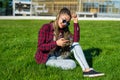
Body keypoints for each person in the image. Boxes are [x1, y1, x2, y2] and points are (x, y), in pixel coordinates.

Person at [35, 7, 105, 77]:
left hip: (59, 55)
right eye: (64, 20)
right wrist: (56, 43)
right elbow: (40, 47)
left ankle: (87, 70)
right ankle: (56, 63)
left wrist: (75, 22)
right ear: (58, 16)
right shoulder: (46, 27)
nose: (64, 24)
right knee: (72, 64)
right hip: (47, 58)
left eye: (67, 23)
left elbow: (76, 40)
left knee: (75, 46)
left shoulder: (64, 30)